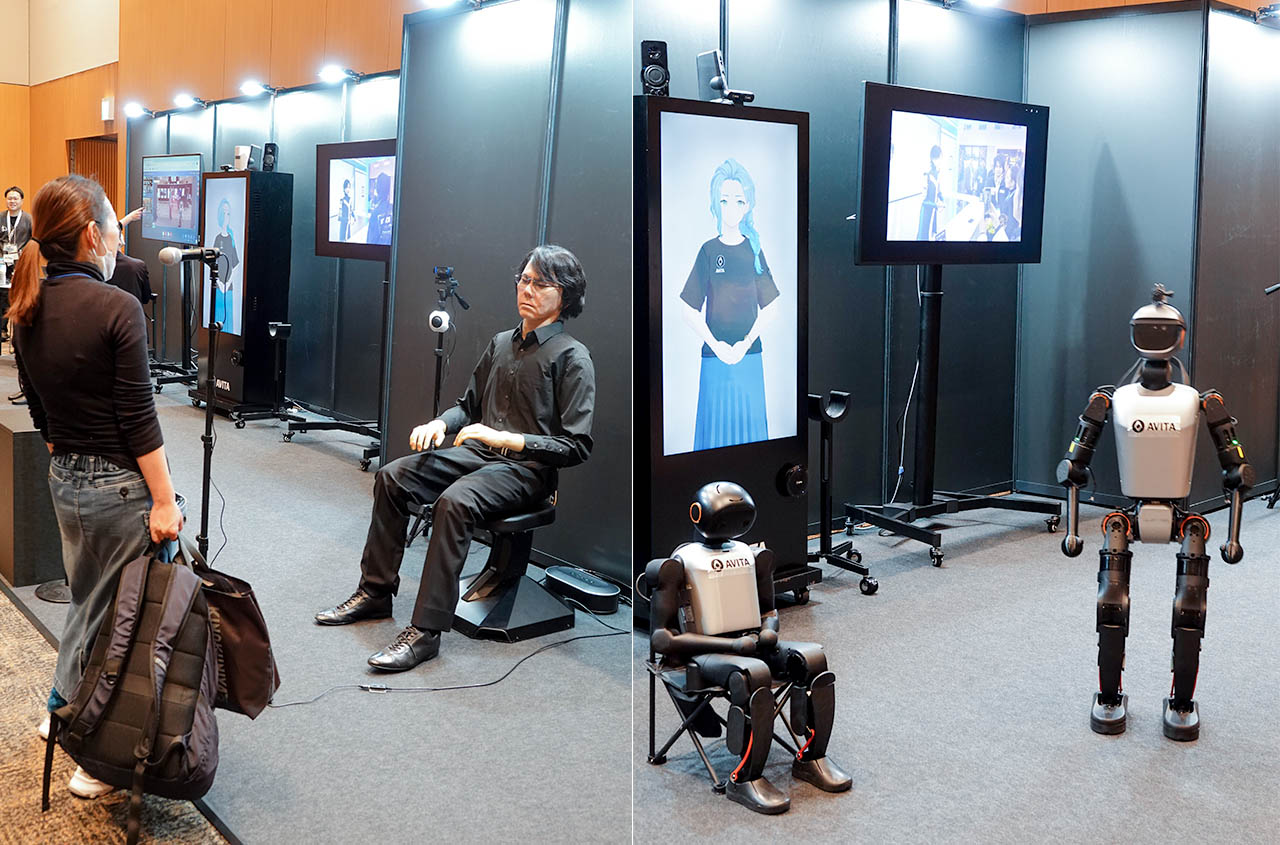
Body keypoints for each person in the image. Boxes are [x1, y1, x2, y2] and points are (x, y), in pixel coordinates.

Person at [315, 244, 595, 671]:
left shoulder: (573, 357)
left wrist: (509, 439)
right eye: (524, 280)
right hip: (477, 454)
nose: (528, 290)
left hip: (526, 471)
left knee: (455, 502)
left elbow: (576, 446)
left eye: (541, 284)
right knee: (392, 476)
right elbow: (468, 406)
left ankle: (426, 632)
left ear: (566, 295)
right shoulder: (501, 343)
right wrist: (440, 424)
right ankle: (375, 592)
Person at [9, 174, 183, 798]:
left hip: (64, 481)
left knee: (91, 602)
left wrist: (71, 459)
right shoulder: (117, 307)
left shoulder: (26, 305)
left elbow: (39, 410)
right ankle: (96, 756)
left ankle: (61, 708)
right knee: (122, 622)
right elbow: (139, 418)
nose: (118, 237)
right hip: (121, 488)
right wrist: (164, 500)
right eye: (114, 226)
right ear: (91, 234)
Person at [680, 158, 778, 451]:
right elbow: (688, 309)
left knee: (752, 442)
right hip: (714, 361)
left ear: (747, 205)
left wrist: (745, 344)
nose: (731, 207)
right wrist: (718, 346)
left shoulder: (754, 251)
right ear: (715, 203)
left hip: (750, 360)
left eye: (738, 200)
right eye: (724, 200)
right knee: (713, 439)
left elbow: (772, 307)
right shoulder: (708, 251)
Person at [1, 186, 33, 341]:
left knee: (20, 295)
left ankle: (19, 332)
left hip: (21, 263)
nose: (12, 201)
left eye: (15, 198)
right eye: (9, 198)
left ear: (21, 200)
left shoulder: (28, 219)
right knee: (2, 296)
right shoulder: (1, 217)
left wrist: (25, 253)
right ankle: (2, 329)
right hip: (2, 263)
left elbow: (34, 240)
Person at [211, 198, 240, 334]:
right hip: (218, 288)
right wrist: (219, 283)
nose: (226, 216)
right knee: (217, 320)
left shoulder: (231, 238)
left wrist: (227, 284)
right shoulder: (217, 238)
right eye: (223, 213)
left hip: (228, 288)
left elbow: (236, 264)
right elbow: (211, 263)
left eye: (228, 213)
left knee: (228, 322)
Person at [916, 145, 944, 241]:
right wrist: (936, 205)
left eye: (940, 158)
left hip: (933, 211)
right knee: (923, 237)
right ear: (932, 158)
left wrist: (942, 200)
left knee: (932, 236)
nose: (940, 161)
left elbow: (938, 191)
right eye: (938, 158)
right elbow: (923, 201)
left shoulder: (938, 173)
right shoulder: (927, 174)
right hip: (926, 212)